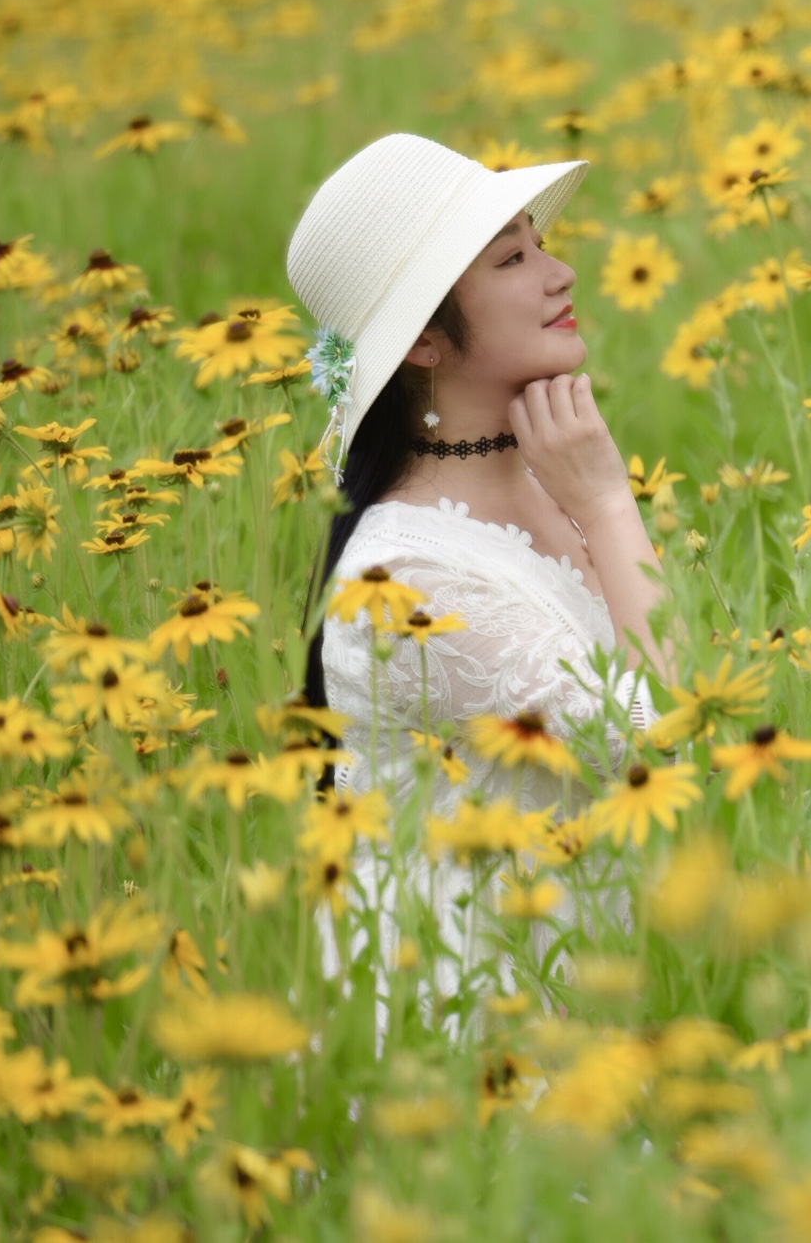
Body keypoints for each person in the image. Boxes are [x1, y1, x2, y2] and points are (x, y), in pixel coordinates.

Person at [284, 132, 674, 1022]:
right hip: (480, 1045)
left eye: (539, 243)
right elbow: (656, 736)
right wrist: (613, 509)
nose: (560, 273)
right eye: (512, 259)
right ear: (423, 339)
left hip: (595, 984)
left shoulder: (546, 470)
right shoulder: (407, 579)